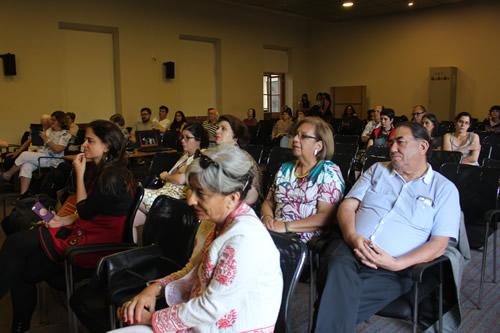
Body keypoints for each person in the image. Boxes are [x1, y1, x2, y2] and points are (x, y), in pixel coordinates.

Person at [111, 144, 282, 333]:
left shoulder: (245, 240)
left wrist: (152, 319)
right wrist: (154, 289)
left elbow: (211, 308)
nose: (190, 200)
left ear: (232, 198)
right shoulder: (212, 222)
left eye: (201, 193)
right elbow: (192, 270)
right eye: (190, 189)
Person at [314, 122, 460, 333]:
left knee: (334, 300)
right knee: (337, 268)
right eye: (390, 142)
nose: (391, 148)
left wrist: (396, 264)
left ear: (422, 147)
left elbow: (439, 244)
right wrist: (352, 236)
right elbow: (347, 206)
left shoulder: (444, 189)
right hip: (349, 248)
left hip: (393, 269)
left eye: (400, 142)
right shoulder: (377, 170)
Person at [0, 120, 135, 333]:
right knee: (18, 255)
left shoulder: (112, 176)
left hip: (94, 244)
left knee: (16, 249)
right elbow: (93, 209)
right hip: (85, 230)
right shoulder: (108, 170)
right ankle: (20, 326)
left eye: (90, 141)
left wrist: (79, 173)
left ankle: (20, 326)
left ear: (107, 145)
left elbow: (84, 209)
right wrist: (64, 219)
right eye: (84, 140)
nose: (83, 145)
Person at [262, 117, 345, 242]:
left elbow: (325, 217)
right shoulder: (285, 169)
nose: (295, 139)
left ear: (319, 145)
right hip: (275, 230)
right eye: (296, 135)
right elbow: (268, 202)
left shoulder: (328, 172)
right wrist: (268, 218)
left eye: (304, 136)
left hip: (303, 238)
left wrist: (286, 226)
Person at [141, 123, 209, 211]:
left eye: (187, 138)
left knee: (135, 195)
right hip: (164, 192)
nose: (182, 140)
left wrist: (166, 177)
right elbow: (173, 175)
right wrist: (170, 176)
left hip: (173, 199)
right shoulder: (186, 155)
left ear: (199, 139)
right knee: (133, 202)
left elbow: (181, 179)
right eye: (182, 137)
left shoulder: (201, 157)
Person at [0, 111, 71, 195]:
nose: (51, 122)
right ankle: (23, 195)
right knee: (26, 166)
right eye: (51, 120)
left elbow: (58, 149)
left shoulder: (65, 134)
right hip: (42, 156)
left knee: (25, 155)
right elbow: (33, 141)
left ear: (60, 121)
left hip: (52, 159)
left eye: (54, 120)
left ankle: (8, 174)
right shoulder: (49, 131)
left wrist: (46, 139)